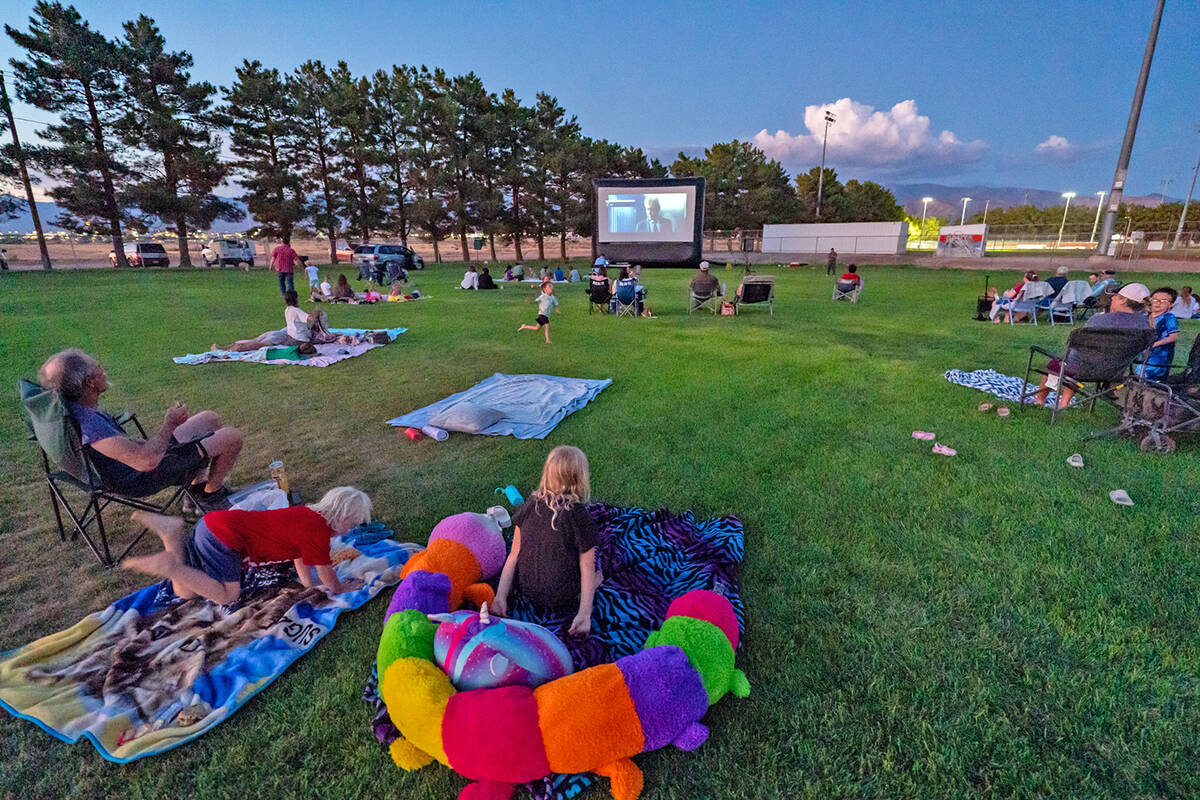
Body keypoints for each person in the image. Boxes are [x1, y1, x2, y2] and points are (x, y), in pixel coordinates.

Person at [37, 348, 244, 510]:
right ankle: (210, 497)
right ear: (90, 383)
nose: (103, 370)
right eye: (98, 367)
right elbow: (147, 461)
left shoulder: (75, 410)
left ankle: (196, 490)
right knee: (231, 437)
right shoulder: (90, 427)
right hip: (140, 478)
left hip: (136, 463)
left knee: (208, 419)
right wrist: (169, 424)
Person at [122, 487, 372, 605]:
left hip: (211, 526)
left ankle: (170, 534)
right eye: (352, 523)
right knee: (227, 596)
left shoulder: (307, 515)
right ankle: (171, 566)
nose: (351, 529)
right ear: (341, 515)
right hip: (225, 538)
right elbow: (325, 569)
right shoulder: (317, 530)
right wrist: (339, 587)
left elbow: (300, 556)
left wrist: (308, 583)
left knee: (186, 592)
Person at [492, 446, 599, 636]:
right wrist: (584, 614)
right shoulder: (578, 515)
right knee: (599, 573)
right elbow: (587, 566)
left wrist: (500, 597)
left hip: (528, 589)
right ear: (580, 478)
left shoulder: (527, 506)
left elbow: (513, 555)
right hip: (564, 596)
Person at [1032, 283, 1153, 408]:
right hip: (1115, 372)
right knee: (1074, 361)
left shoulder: (1099, 320)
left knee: (1062, 363)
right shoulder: (1146, 326)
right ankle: (1063, 403)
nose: (1112, 298)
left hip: (1083, 369)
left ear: (1124, 301)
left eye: (1116, 296)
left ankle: (1041, 400)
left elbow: (1080, 348)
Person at [1144, 287, 1180, 380]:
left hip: (1160, 356)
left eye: (1163, 301)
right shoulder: (1144, 316)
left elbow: (1173, 337)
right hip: (1144, 354)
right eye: (1155, 300)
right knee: (1140, 374)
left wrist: (1155, 344)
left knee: (1153, 379)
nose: (1158, 303)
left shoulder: (1168, 317)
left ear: (1171, 304)